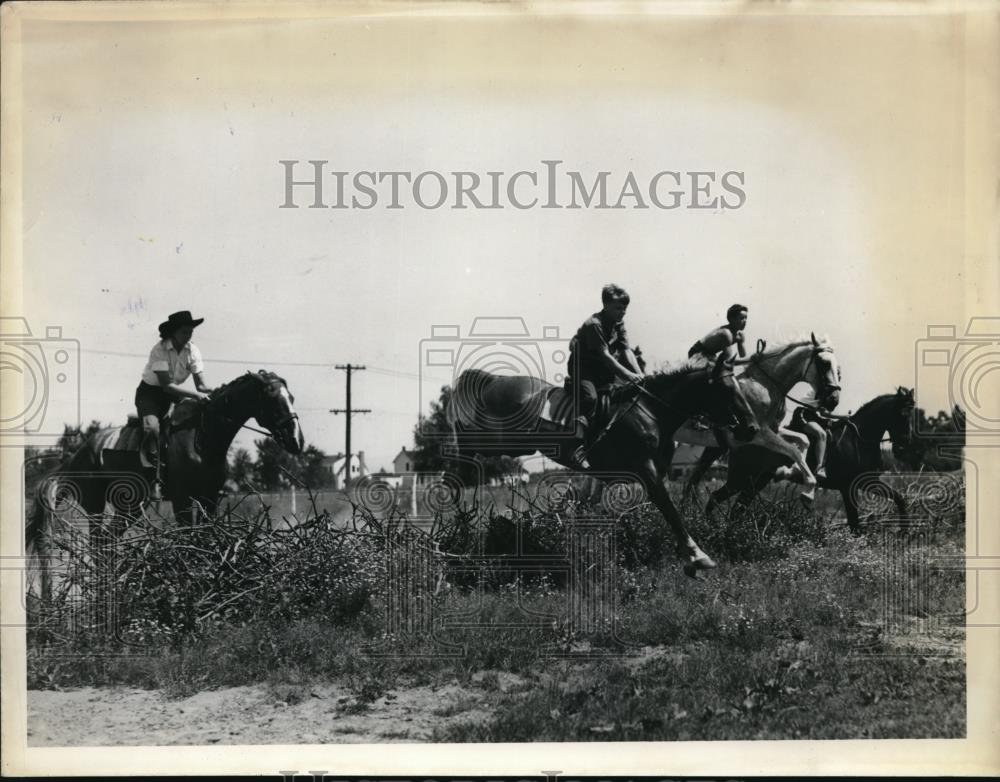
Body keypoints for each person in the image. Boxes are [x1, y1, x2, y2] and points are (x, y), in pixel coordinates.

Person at [565, 284, 645, 468]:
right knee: (590, 398)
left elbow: (626, 351)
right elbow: (606, 357)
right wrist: (630, 375)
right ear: (606, 305)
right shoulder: (594, 324)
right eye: (618, 308)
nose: (623, 312)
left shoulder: (618, 323)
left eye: (625, 308)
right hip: (583, 368)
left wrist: (641, 376)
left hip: (602, 370)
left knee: (624, 396)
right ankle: (577, 447)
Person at [136, 311, 213, 496]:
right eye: (184, 332)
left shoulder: (193, 351)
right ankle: (153, 478)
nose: (188, 336)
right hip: (150, 394)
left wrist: (217, 391)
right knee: (152, 428)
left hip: (173, 394)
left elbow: (201, 385)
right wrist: (195, 396)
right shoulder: (159, 350)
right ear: (173, 333)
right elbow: (167, 386)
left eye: (190, 332)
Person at [687, 303, 758, 441]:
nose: (744, 322)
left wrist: (752, 360)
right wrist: (754, 358)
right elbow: (730, 361)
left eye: (746, 318)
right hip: (697, 354)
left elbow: (743, 358)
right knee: (715, 381)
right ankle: (697, 417)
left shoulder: (739, 335)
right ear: (731, 319)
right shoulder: (726, 334)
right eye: (741, 318)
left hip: (711, 356)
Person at [789, 405, 830, 480]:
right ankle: (819, 467)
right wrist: (843, 417)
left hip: (814, 415)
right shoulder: (830, 393)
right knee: (822, 434)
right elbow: (824, 412)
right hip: (804, 411)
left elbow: (824, 413)